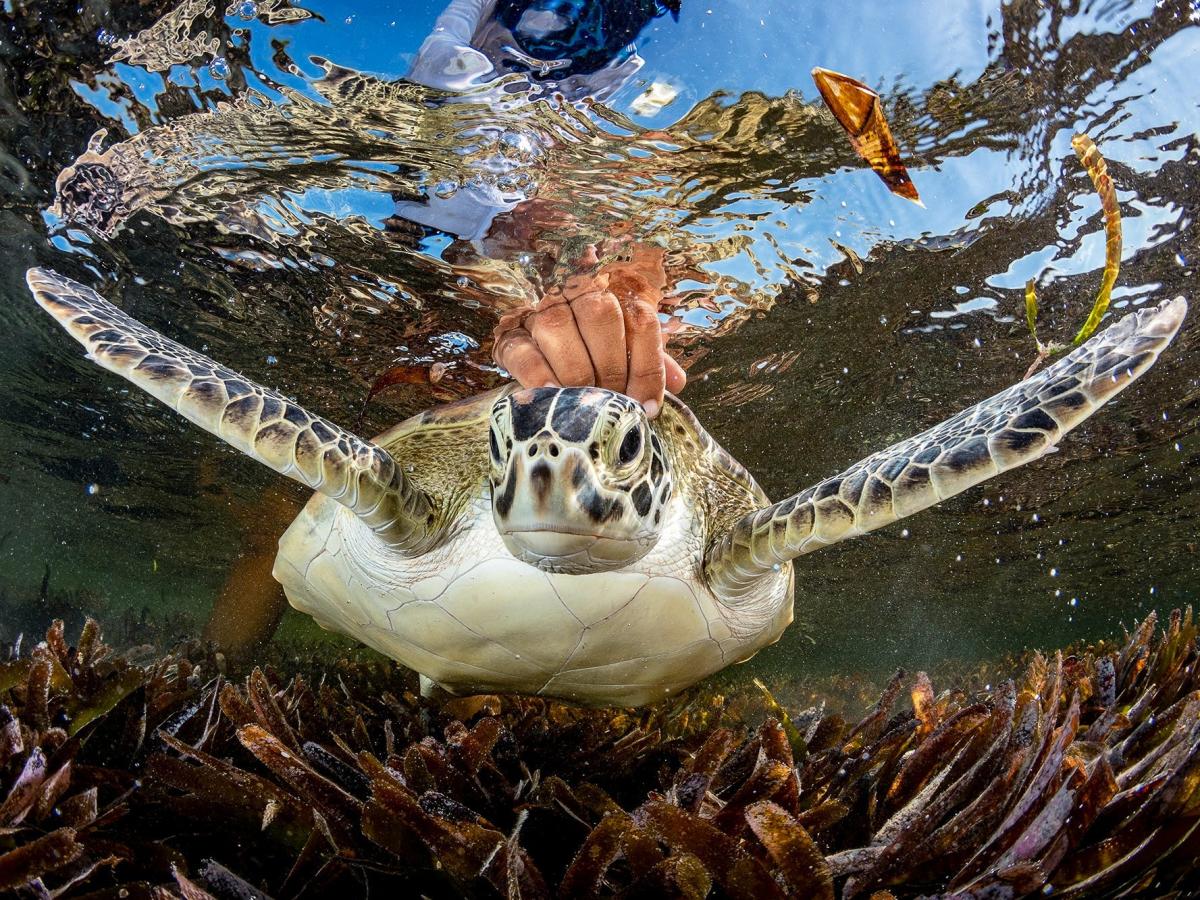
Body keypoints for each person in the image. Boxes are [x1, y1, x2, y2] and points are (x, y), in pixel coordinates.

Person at [204, 0, 685, 659]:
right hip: (427, 244)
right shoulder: (455, 72)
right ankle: (209, 677)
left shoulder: (607, 103)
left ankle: (474, 682)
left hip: (494, 245)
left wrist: (631, 278)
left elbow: (613, 210)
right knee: (296, 496)